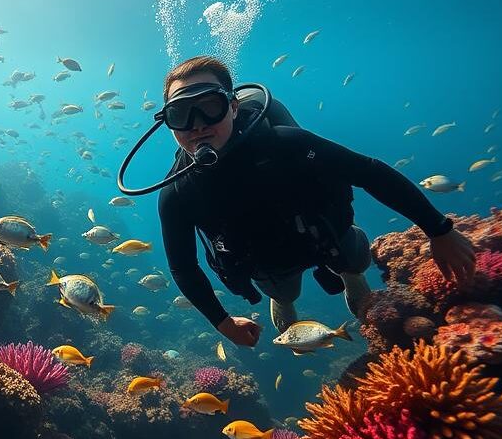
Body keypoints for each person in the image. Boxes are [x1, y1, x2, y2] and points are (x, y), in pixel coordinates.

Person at [156, 56, 476, 347]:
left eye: (210, 106)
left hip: (327, 238)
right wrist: (223, 323)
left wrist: (439, 230)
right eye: (180, 113)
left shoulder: (286, 144)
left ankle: (350, 276)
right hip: (268, 266)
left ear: (234, 107)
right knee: (285, 292)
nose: (197, 124)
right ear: (168, 122)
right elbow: (182, 267)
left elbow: (369, 172)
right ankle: (285, 300)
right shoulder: (177, 192)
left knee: (356, 260)